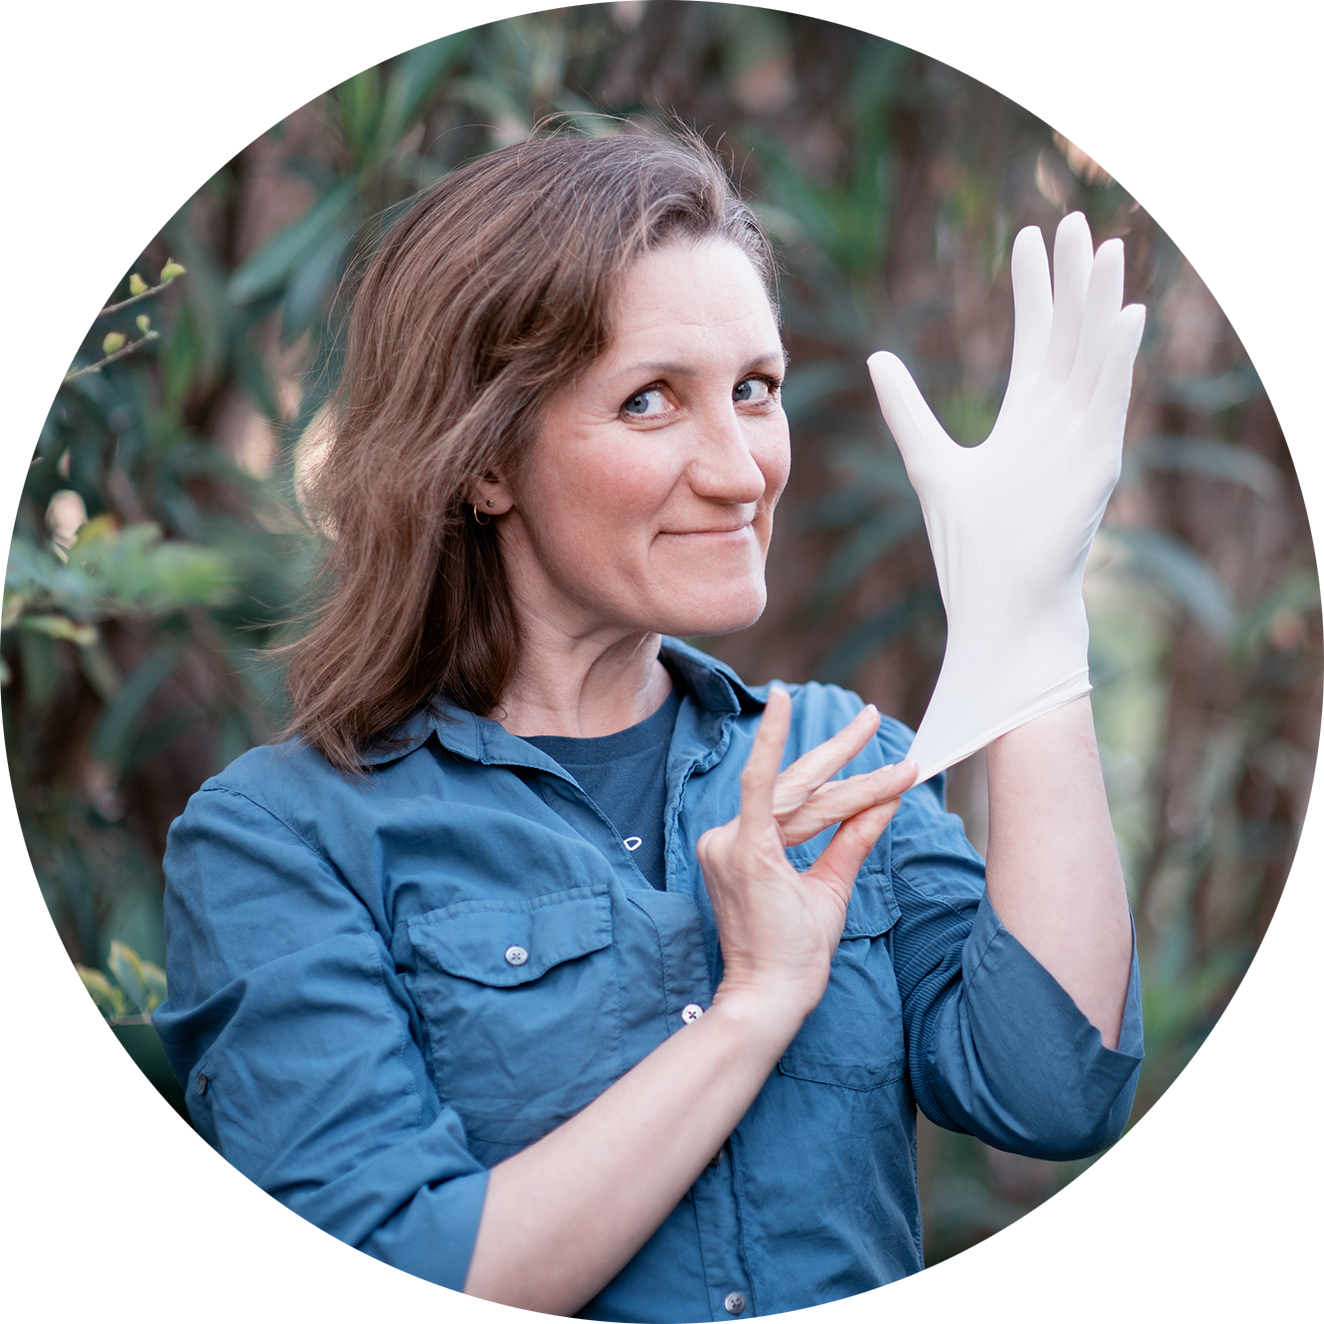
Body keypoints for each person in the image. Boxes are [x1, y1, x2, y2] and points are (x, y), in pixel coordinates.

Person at [156, 131, 1143, 1322]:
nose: (740, 471)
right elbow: (406, 1281)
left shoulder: (841, 763)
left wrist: (1033, 628)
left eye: (754, 389)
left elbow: (1053, 1089)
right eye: (648, 400)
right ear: (485, 463)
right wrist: (752, 1004)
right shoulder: (283, 840)